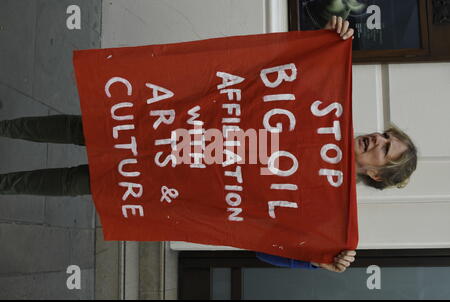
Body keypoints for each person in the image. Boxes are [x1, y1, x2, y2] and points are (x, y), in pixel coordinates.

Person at [0, 17, 417, 273]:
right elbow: (278, 71)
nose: (377, 138)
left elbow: (262, 247)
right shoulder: (326, 108)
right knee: (83, 129)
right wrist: (325, 39)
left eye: (385, 149)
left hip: (173, 179)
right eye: (384, 134)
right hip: (172, 127)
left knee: (82, 181)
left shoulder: (328, 215)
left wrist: (314, 259)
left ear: (378, 173)